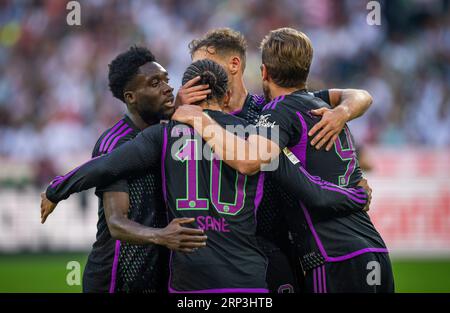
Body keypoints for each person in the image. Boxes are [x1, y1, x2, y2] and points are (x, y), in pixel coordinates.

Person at [42, 59, 370, 293]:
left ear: (190, 94)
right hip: (247, 282)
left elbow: (107, 165)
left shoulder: (163, 136)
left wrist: (57, 188)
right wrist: (354, 192)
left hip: (189, 284)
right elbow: (308, 188)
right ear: (227, 96)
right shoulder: (255, 139)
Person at [172, 28, 394, 293]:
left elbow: (360, 96)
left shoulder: (270, 111)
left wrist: (342, 112)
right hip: (220, 254)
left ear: (236, 65)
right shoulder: (184, 120)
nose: (197, 76)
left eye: (203, 65)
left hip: (284, 249)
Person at [40, 46, 207, 293]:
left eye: (165, 80)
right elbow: (117, 223)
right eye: (154, 83)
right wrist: (162, 236)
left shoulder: (168, 132)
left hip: (155, 275)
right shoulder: (116, 143)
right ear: (131, 97)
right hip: (115, 279)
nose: (167, 88)